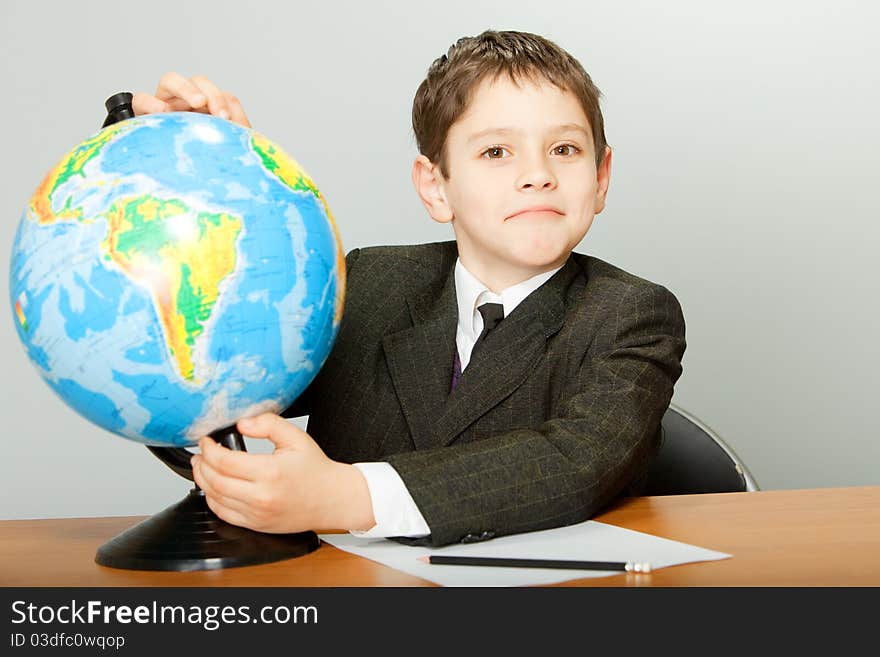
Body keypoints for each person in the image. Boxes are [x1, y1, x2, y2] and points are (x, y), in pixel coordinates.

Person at [123, 30, 686, 547]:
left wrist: (347, 495)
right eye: (496, 151)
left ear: (600, 177)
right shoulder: (372, 283)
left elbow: (577, 460)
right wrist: (203, 185)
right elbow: (216, 382)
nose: (537, 173)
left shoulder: (631, 314)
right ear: (435, 187)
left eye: (564, 149)